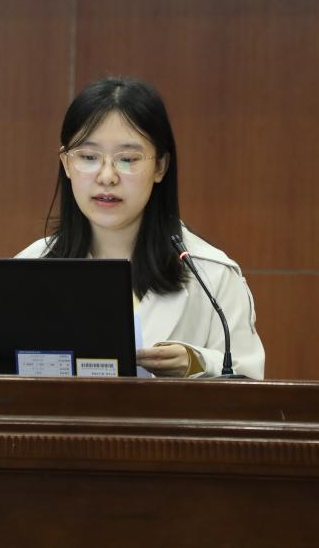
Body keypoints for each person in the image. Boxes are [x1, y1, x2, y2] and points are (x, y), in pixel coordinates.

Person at [15, 77, 264, 378]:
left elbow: (250, 382)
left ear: (160, 166)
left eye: (128, 159)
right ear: (66, 164)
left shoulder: (212, 275)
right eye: (89, 157)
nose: (107, 176)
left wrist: (198, 362)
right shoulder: (26, 269)